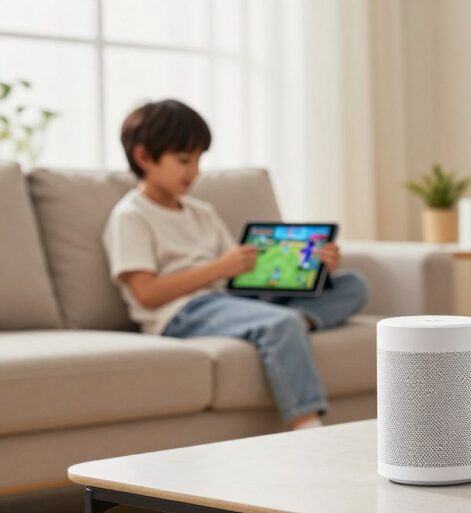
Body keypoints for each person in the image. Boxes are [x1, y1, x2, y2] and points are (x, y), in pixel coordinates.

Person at [102, 99, 368, 431]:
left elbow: (241, 276)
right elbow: (147, 294)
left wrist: (310, 268)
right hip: (182, 312)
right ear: (143, 157)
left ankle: (290, 322)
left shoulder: (202, 213)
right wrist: (218, 268)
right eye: (184, 160)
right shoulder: (131, 216)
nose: (194, 171)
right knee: (280, 324)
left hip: (229, 299)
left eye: (199, 160)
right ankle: (307, 424)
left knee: (351, 284)